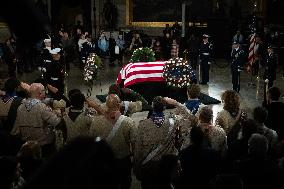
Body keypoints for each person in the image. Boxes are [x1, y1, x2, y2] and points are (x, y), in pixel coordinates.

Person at [89, 94, 137, 189]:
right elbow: (135, 142)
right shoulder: (128, 122)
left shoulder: (95, 121)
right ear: (119, 105)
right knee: (125, 183)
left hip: (105, 161)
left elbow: (91, 141)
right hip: (123, 160)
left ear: (106, 105)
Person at [10, 83, 64, 157]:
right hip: (43, 148)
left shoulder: (20, 107)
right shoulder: (42, 107)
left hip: (27, 148)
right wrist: (59, 114)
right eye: (44, 91)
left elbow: (15, 131)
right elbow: (58, 123)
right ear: (40, 93)